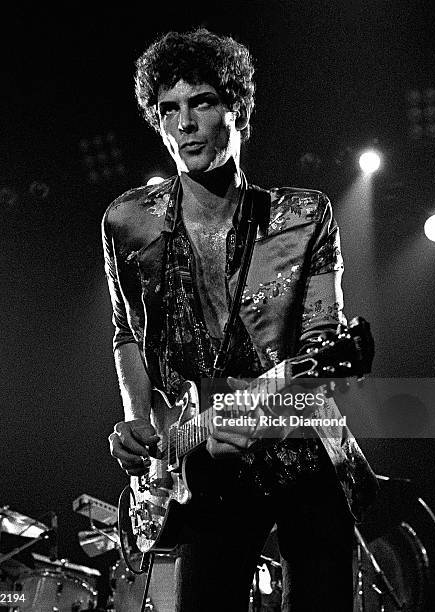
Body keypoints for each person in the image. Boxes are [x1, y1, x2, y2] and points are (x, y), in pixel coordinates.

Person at [103, 28, 378, 611]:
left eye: (201, 102)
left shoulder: (305, 216)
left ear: (238, 111)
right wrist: (145, 431)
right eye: (167, 109)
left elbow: (323, 357)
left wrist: (258, 414)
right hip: (198, 469)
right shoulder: (127, 221)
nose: (184, 124)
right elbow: (127, 332)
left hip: (303, 453)